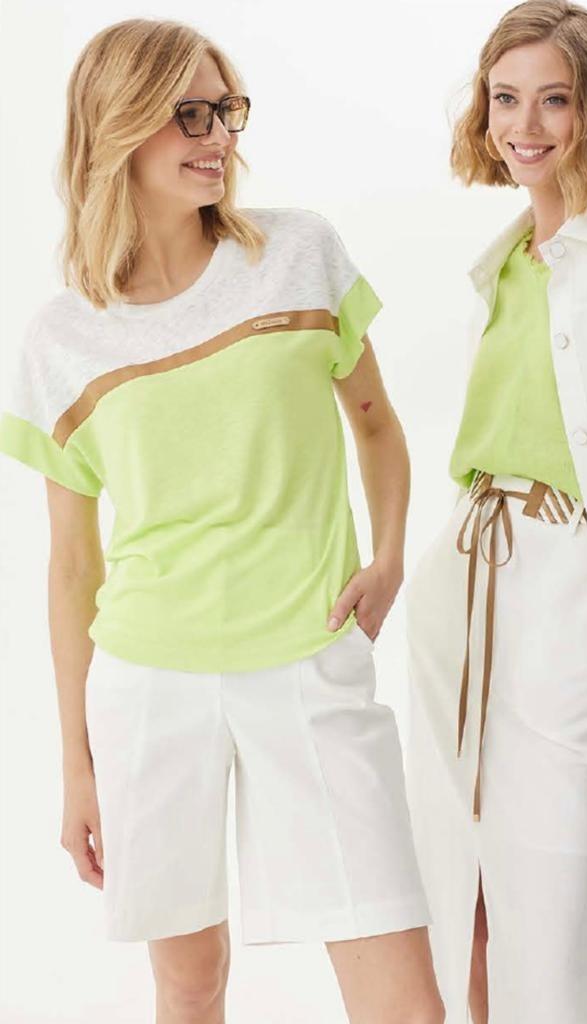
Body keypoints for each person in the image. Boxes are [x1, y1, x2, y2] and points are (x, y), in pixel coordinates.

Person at [0, 18, 446, 1024]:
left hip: (311, 658)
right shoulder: (61, 338)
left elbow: (376, 423)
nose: (219, 137)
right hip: (148, 686)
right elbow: (71, 566)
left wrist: (386, 558)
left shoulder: (297, 254)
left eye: (227, 110)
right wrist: (75, 764)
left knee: (403, 1004)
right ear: (118, 127)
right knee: (190, 984)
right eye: (189, 115)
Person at [403, 1, 587, 1022]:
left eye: (553, 100)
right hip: (464, 569)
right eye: (504, 98)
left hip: (576, 580)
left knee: (551, 930)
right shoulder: (509, 257)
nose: (523, 125)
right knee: (460, 902)